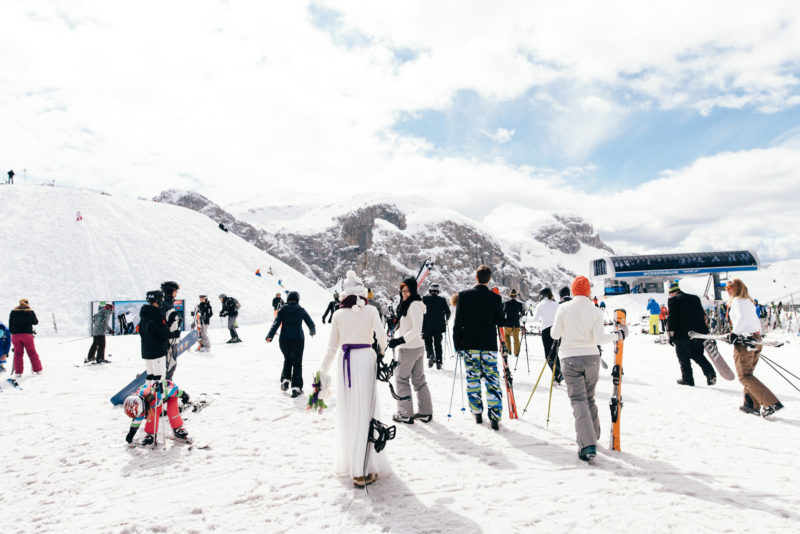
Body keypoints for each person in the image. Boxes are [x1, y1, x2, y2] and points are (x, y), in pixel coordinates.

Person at [318, 270, 389, 487]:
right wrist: (382, 353)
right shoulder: (370, 310)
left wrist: (322, 372)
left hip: (345, 362)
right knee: (366, 411)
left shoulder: (339, 314)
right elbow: (382, 336)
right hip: (366, 359)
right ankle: (365, 468)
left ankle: (354, 467)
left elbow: (331, 347)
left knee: (350, 411)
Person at [550, 276, 626, 462]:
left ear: (573, 291)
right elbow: (599, 339)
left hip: (569, 359)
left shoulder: (564, 308)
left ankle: (587, 445)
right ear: (588, 292)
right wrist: (619, 335)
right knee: (589, 397)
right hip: (592, 358)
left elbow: (554, 334)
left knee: (578, 400)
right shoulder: (595, 310)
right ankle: (594, 434)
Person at [453, 265, 505, 430]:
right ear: (489, 279)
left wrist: (457, 344)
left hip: (469, 346)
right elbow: (500, 322)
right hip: (489, 345)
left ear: (476, 278)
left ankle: (477, 413)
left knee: (473, 379)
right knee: (492, 380)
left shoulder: (464, 296)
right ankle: (495, 416)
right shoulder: (495, 298)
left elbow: (458, 323)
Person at [726, 279, 783, 417]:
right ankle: (751, 404)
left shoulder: (737, 301)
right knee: (748, 374)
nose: (727, 290)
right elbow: (754, 321)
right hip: (755, 339)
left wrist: (734, 333)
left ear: (736, 288)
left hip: (744, 342)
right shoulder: (748, 302)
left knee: (744, 376)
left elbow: (742, 319)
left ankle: (771, 403)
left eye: (729, 287)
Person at [388, 277, 432, 423]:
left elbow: (416, 329)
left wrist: (400, 340)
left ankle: (405, 413)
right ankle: (425, 411)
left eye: (407, 291)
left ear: (413, 290)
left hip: (409, 348)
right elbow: (408, 324)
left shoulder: (413, 306)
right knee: (419, 380)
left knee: (401, 379)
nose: (404, 294)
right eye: (402, 291)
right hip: (417, 347)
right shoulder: (411, 304)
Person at [667, 280, 716, 387]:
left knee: (683, 358)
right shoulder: (695, 298)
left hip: (682, 335)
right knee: (698, 355)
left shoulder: (673, 300)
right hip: (699, 334)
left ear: (672, 292)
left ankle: (687, 379)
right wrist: (706, 333)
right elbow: (703, 316)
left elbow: (672, 318)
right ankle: (710, 374)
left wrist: (670, 335)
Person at [266, 291, 316, 397]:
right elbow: (310, 322)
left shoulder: (282, 309)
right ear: (297, 299)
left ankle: (285, 380)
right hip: (298, 339)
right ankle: (296, 388)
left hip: (284, 340)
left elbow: (276, 323)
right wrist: (312, 331)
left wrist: (269, 335)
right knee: (297, 363)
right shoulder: (301, 310)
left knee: (287, 360)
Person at [123, 380, 191, 446]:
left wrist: (183, 394)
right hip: (156, 403)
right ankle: (151, 435)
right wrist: (131, 434)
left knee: (172, 411)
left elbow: (173, 389)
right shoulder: (138, 405)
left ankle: (177, 428)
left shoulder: (160, 391)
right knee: (152, 416)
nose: (142, 414)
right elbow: (137, 420)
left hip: (168, 396)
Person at [140, 290, 170, 386]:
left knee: (150, 376)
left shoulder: (144, 315)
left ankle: (148, 397)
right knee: (159, 377)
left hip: (147, 350)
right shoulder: (157, 315)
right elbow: (163, 333)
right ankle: (157, 399)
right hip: (158, 351)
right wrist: (174, 333)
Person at [533, 288, 561, 383]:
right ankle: (557, 375)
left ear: (542, 295)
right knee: (555, 353)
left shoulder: (541, 305)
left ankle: (558, 373)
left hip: (546, 331)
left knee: (548, 355)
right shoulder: (556, 304)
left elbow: (535, 319)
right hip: (557, 330)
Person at [8, 299, 43, 376]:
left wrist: (13, 332)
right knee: (32, 352)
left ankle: (18, 372)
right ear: (28, 304)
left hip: (16, 336)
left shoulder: (13, 312)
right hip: (27, 335)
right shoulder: (30, 311)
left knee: (18, 354)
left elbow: (10, 325)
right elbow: (35, 322)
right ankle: (38, 370)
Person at [422, 282, 451, 369]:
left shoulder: (424, 299)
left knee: (428, 342)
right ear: (438, 291)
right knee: (438, 344)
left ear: (430, 290)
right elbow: (448, 312)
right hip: (438, 327)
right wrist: (446, 319)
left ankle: (431, 355)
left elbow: (420, 311)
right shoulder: (442, 300)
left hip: (426, 326)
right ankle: (439, 362)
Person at [160, 281, 182, 380]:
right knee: (170, 366)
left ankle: (167, 386)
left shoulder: (168, 304)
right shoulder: (165, 305)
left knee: (170, 365)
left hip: (171, 340)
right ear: (170, 291)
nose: (176, 293)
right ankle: (166, 388)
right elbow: (163, 324)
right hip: (169, 342)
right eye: (175, 291)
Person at [503, 289, 524, 358]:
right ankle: (516, 352)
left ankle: (508, 351)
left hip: (508, 323)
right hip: (516, 323)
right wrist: (519, 317)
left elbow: (504, 313)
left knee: (507, 337)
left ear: (510, 295)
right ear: (516, 296)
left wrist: (504, 320)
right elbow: (523, 314)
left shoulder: (506, 303)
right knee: (516, 338)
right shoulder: (519, 304)